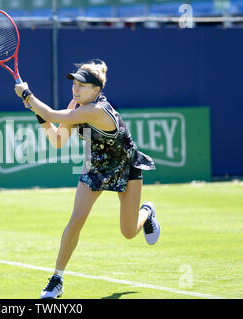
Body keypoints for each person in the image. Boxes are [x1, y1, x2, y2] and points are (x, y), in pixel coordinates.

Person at [14, 59, 160, 299]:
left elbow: (50, 112)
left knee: (128, 232)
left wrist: (29, 95)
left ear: (96, 90)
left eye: (82, 85)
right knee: (76, 219)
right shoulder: (77, 105)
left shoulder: (96, 110)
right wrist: (35, 110)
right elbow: (58, 139)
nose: (76, 88)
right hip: (95, 169)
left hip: (126, 167)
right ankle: (56, 279)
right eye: (74, 83)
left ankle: (147, 212)